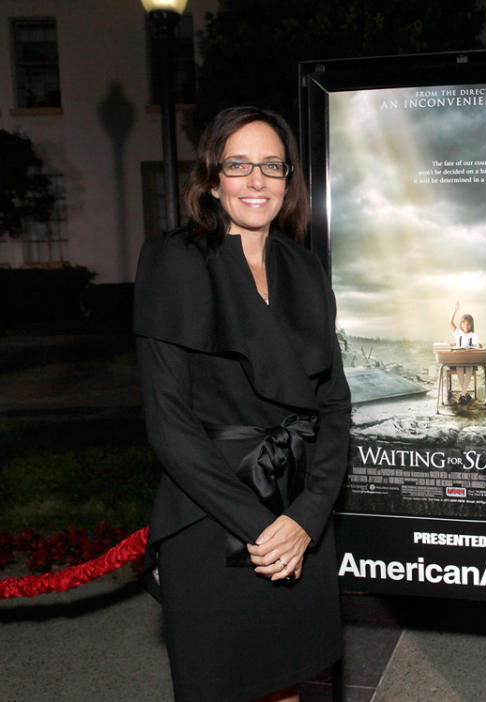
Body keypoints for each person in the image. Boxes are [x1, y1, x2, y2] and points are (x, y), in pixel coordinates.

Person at [134, 106, 351, 702]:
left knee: (293, 685)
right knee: (224, 685)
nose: (256, 180)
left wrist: (305, 520)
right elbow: (169, 422)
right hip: (214, 516)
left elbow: (333, 407)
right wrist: (264, 529)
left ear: (288, 181)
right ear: (211, 179)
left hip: (301, 511)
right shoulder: (176, 261)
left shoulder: (304, 268)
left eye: (271, 166)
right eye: (238, 164)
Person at [448, 301, 480, 403]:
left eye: (468, 324)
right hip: (459, 359)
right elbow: (450, 322)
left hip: (470, 360)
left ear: (471, 325)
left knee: (469, 368)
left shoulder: (473, 336)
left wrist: (478, 345)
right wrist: (454, 310)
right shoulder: (458, 332)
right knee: (459, 368)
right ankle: (464, 394)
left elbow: (478, 345)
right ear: (461, 324)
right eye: (464, 323)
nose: (466, 326)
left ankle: (463, 394)